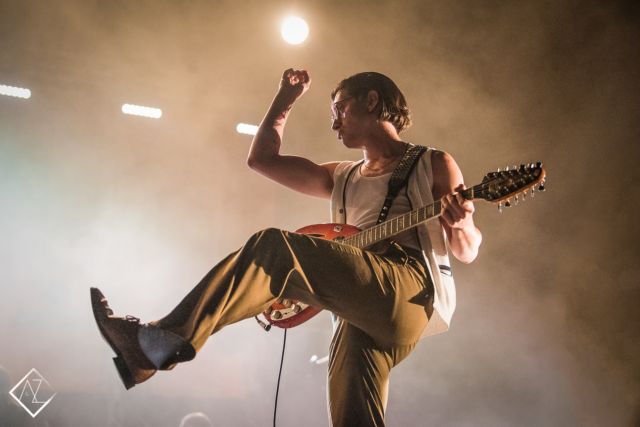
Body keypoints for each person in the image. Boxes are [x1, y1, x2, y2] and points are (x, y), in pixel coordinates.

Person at [91, 69, 482, 427]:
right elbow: (262, 160)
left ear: (372, 100)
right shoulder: (343, 176)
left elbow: (467, 250)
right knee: (353, 417)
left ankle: (159, 341)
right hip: (357, 305)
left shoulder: (433, 162)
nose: (334, 123)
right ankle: (149, 352)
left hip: (408, 291)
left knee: (274, 247)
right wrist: (284, 99)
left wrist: (461, 222)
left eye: (340, 109)